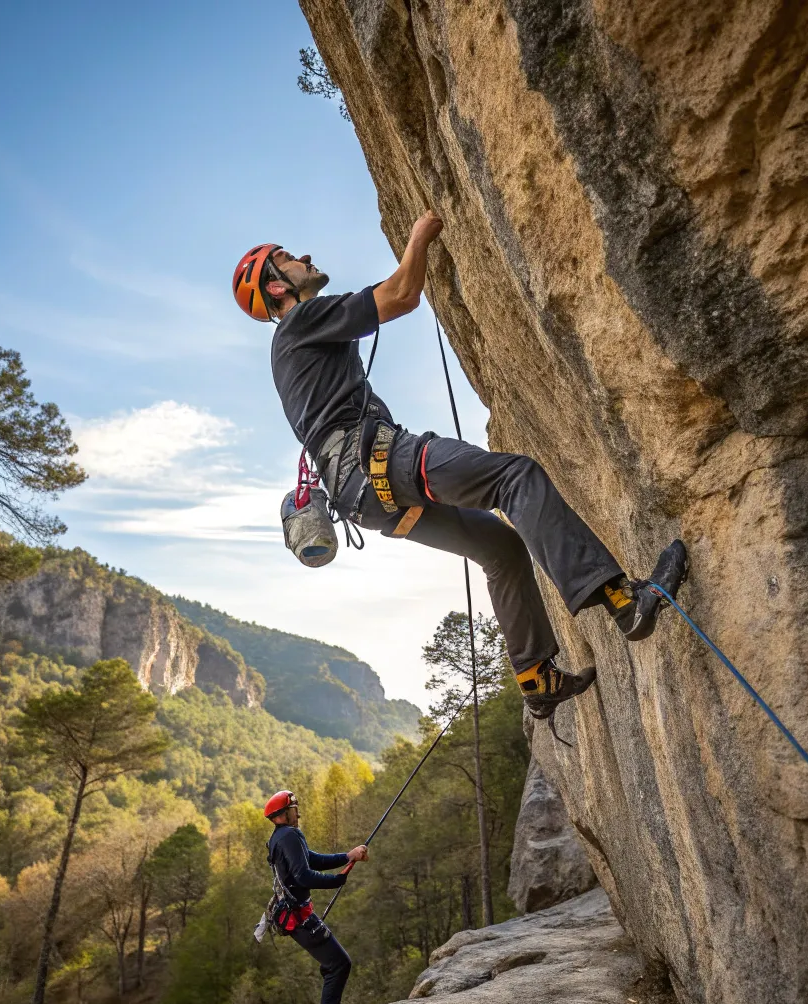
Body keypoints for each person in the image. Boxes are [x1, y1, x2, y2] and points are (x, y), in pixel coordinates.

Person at [232, 212, 688, 720]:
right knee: (515, 478)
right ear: (275, 284)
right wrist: (422, 230)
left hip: (365, 499)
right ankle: (625, 602)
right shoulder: (300, 321)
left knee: (500, 546)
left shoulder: (298, 341)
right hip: (378, 461)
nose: (306, 258)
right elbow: (401, 294)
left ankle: (536, 676)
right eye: (290, 258)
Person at [264, 790, 368, 1004]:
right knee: (340, 963)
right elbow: (303, 876)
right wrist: (336, 881)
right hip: (299, 918)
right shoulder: (290, 835)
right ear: (282, 814)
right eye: (294, 809)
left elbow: (312, 859)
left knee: (333, 963)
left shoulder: (280, 838)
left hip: (293, 916)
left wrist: (348, 856)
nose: (297, 813)